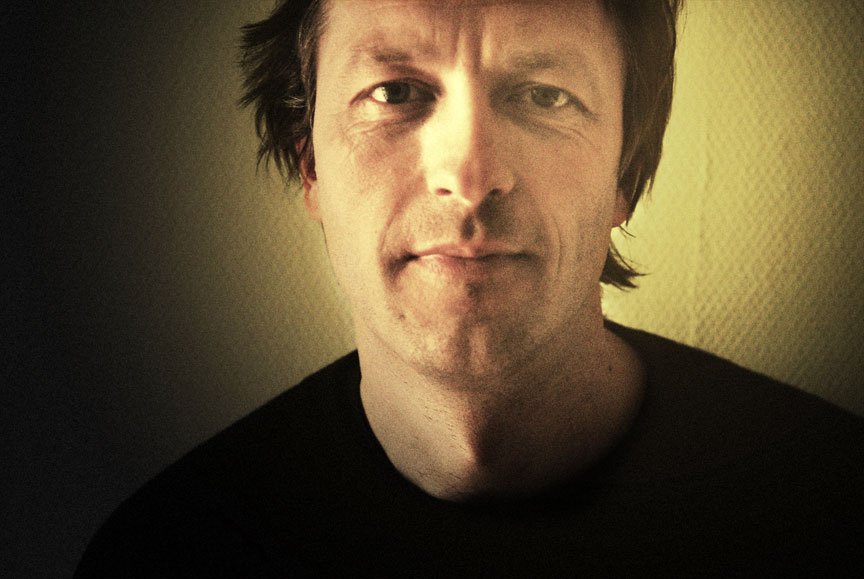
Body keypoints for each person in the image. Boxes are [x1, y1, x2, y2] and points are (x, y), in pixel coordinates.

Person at [75, 0, 864, 576]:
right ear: (309, 160)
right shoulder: (166, 557)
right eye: (395, 92)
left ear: (624, 171)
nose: (471, 173)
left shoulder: (830, 517)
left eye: (545, 95)